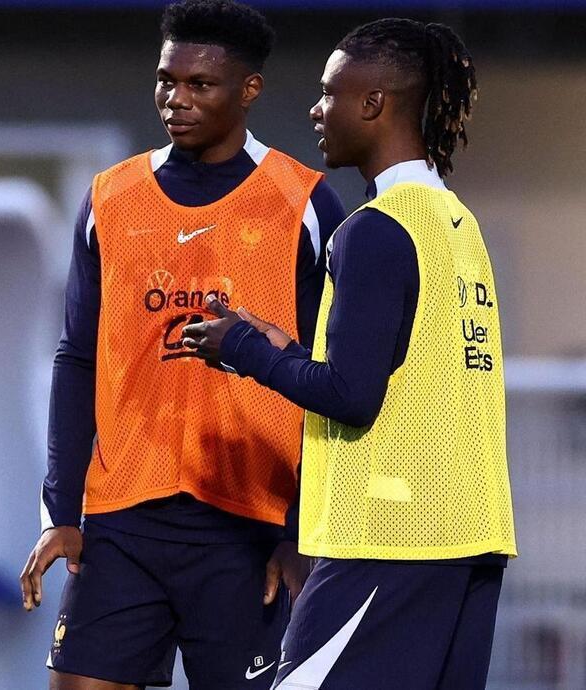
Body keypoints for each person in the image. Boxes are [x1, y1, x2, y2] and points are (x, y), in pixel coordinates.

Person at [182, 19, 517, 689]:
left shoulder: (373, 231)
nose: (315, 109)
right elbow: (402, 368)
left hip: (387, 542)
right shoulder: (458, 226)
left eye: (330, 92)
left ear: (373, 105)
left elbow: (353, 396)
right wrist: (290, 349)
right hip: (471, 538)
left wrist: (246, 348)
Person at [19, 1, 345, 687]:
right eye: (168, 80)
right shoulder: (110, 198)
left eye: (201, 85)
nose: (177, 99)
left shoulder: (306, 204)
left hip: (249, 531)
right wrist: (62, 511)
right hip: (122, 525)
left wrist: (300, 534)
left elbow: (330, 379)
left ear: (249, 90)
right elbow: (77, 359)